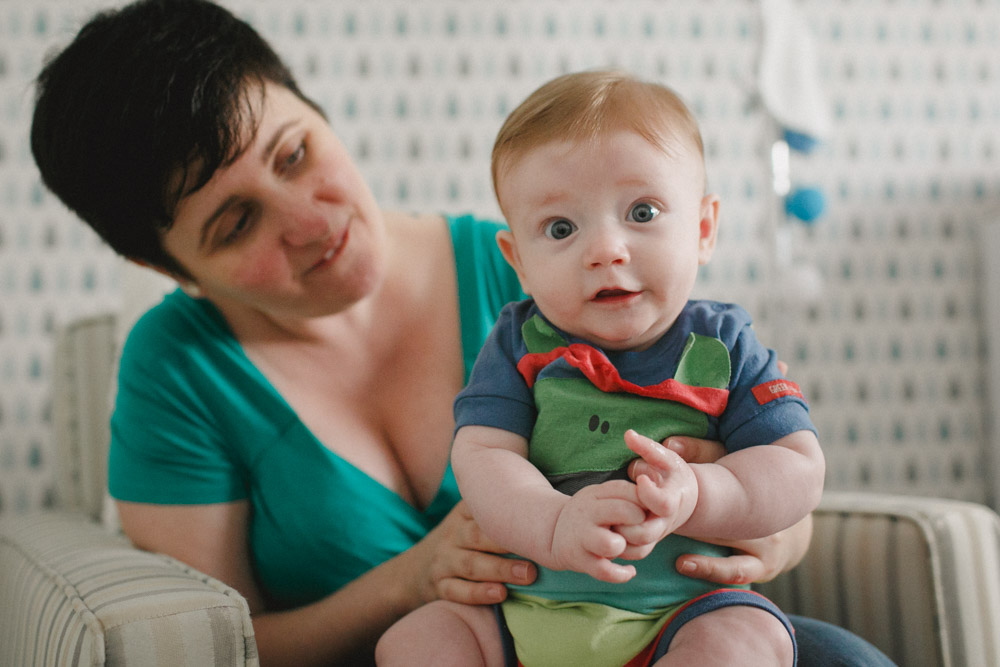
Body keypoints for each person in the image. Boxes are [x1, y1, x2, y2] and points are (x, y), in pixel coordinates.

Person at [29, 1, 894, 665]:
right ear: (169, 266)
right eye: (235, 224)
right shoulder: (177, 368)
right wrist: (408, 583)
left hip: (664, 618)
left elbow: (774, 463)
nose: (307, 220)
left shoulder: (546, 273)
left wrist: (753, 522)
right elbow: (220, 642)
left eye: (294, 153)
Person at [375, 71, 824, 667]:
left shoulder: (726, 345)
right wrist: (554, 522)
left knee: (743, 643)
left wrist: (700, 493)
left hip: (682, 614)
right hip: (522, 612)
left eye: (642, 211)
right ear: (520, 263)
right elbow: (482, 456)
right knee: (413, 643)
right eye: (561, 228)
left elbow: (796, 465)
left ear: (704, 229)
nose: (605, 248)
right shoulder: (518, 343)